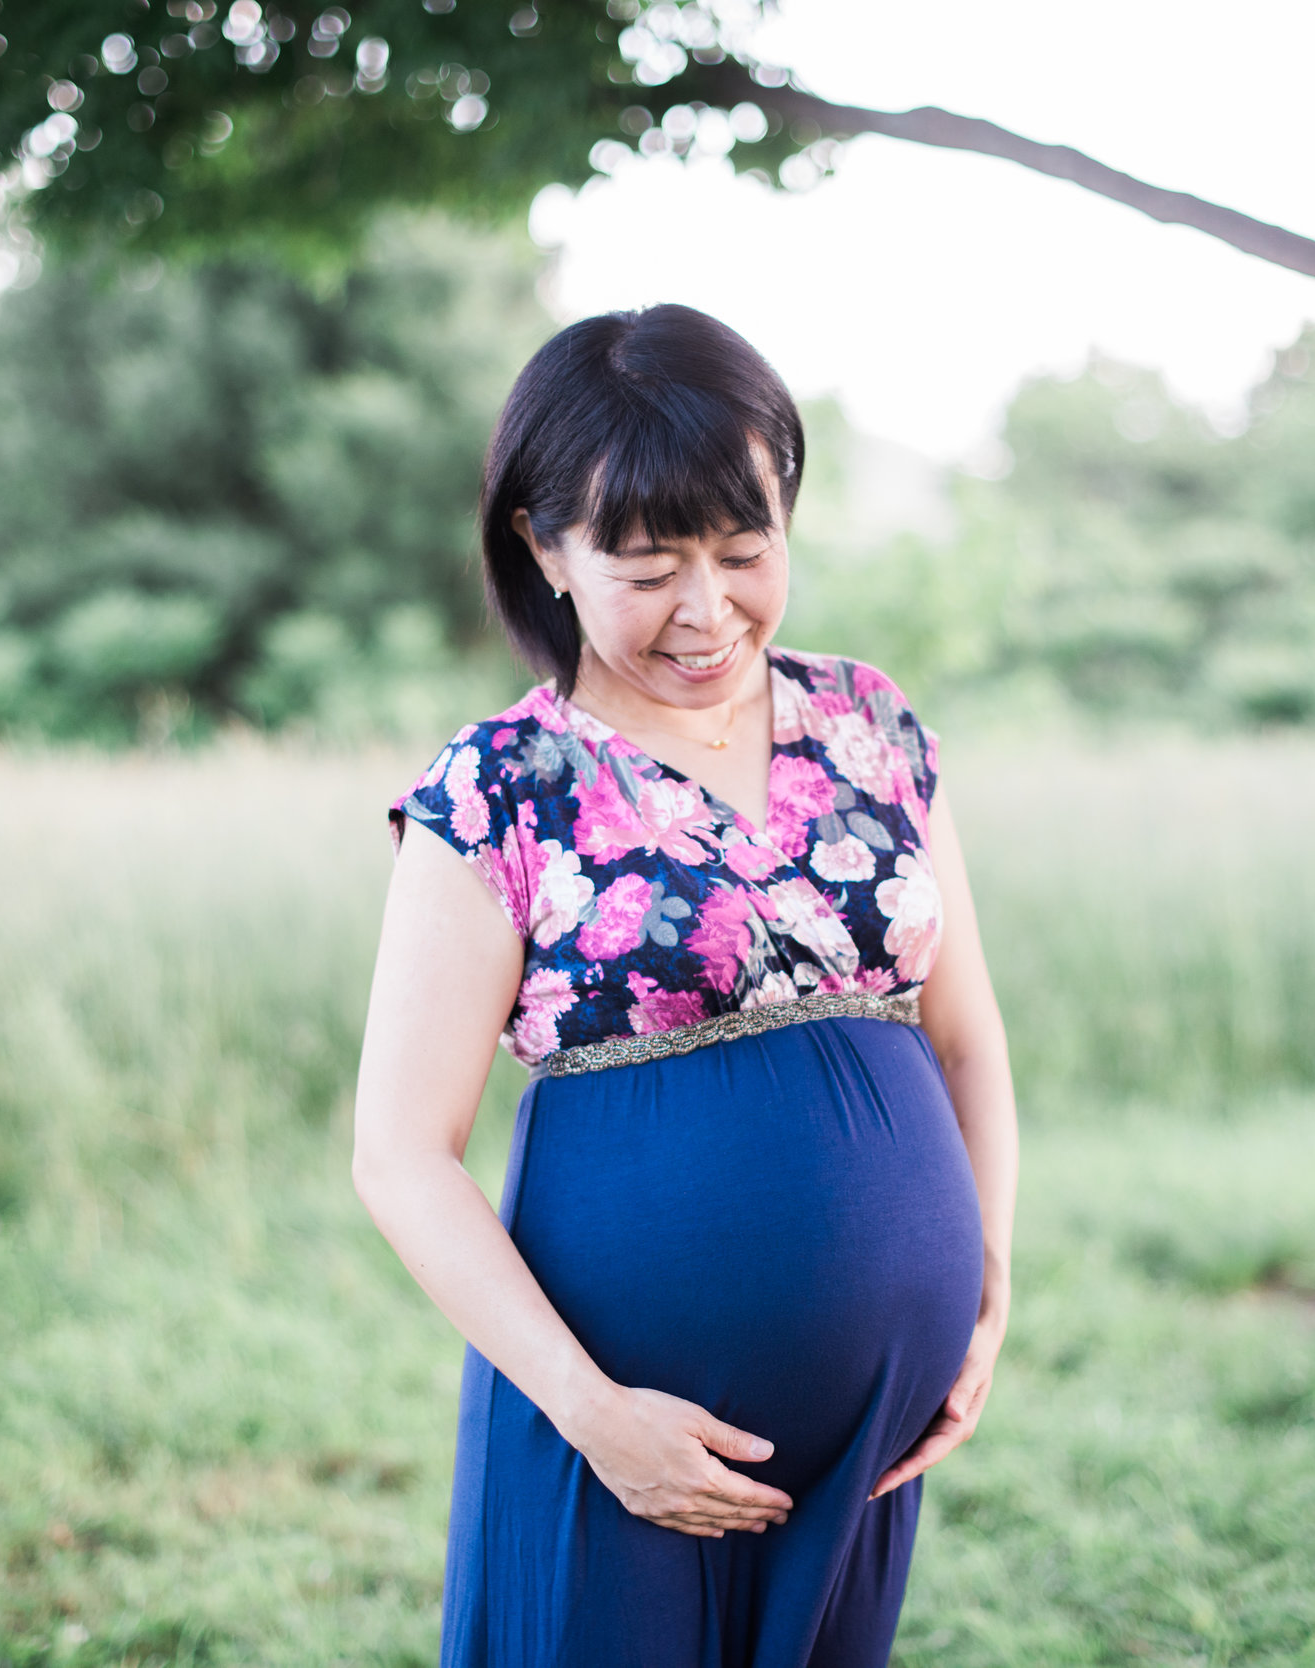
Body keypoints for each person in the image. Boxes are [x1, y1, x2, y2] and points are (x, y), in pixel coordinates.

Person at [351, 303, 1017, 1668]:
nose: (706, 610)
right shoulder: (502, 789)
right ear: (544, 548)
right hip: (618, 1437)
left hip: (864, 1441)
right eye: (647, 565)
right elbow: (400, 1155)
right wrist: (595, 1415)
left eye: (743, 548)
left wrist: (986, 1287)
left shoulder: (870, 724)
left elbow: (968, 1043)